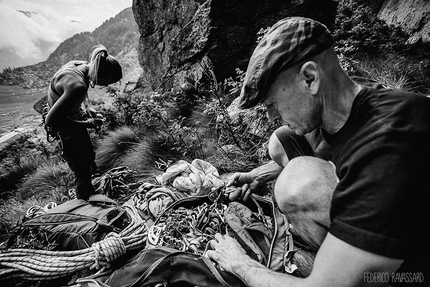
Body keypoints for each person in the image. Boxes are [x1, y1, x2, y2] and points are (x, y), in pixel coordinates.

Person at [207, 17, 430, 286]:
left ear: (310, 78)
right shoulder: (353, 107)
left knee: (297, 182)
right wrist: (257, 175)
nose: (270, 116)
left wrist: (241, 265)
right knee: (282, 139)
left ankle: (346, 266)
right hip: (394, 214)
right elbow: (337, 153)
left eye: (272, 103)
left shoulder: (387, 148)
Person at [45, 44, 122, 200]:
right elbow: (51, 121)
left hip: (72, 118)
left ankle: (91, 192)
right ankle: (86, 201)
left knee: (88, 158)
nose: (106, 85)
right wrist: (89, 123)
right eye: (107, 81)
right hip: (65, 129)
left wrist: (88, 109)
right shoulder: (78, 85)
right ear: (100, 73)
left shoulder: (82, 66)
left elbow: (77, 91)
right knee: (82, 172)